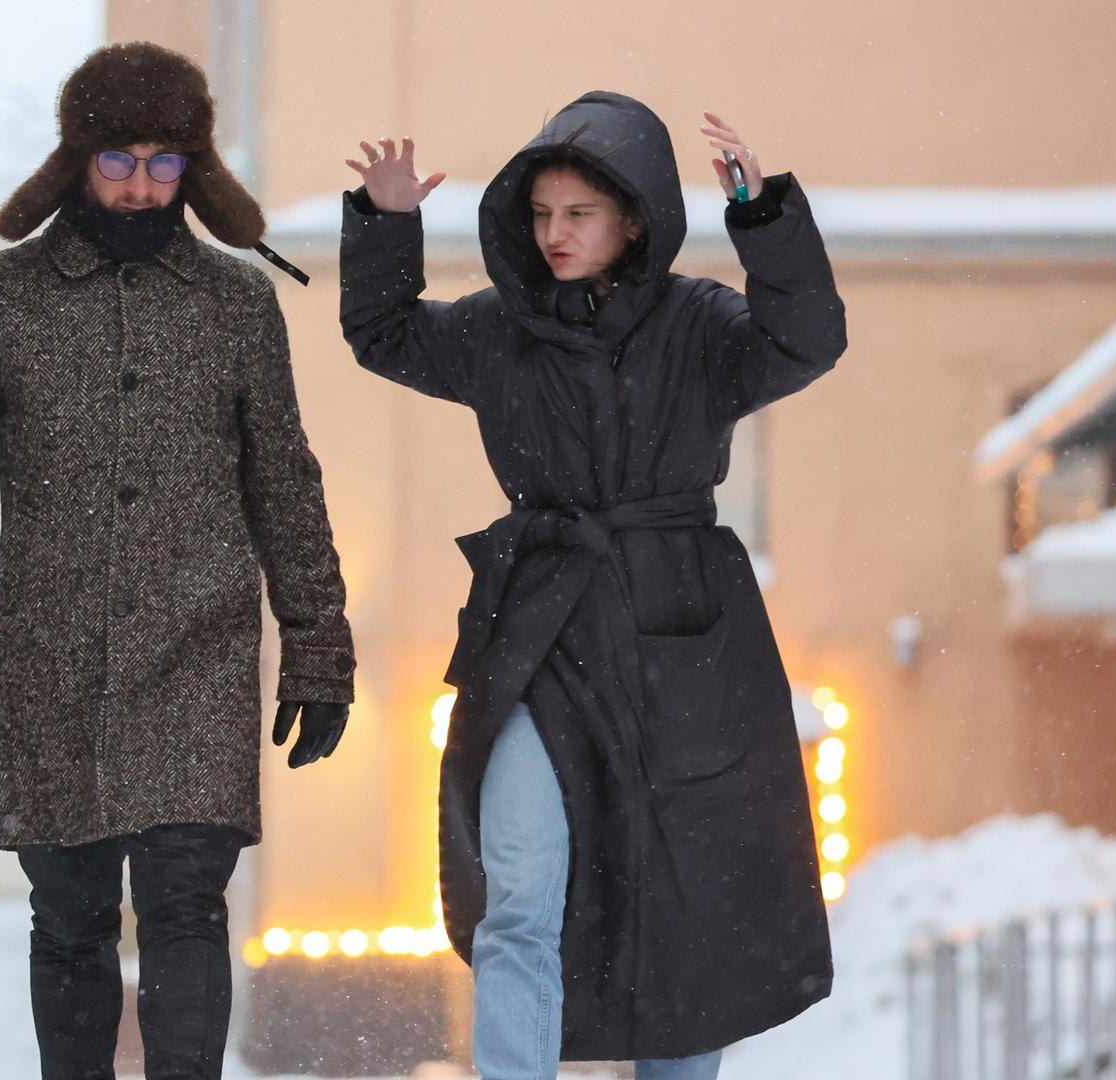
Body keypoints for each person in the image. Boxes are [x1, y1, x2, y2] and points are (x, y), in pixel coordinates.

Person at [0, 42, 355, 1080]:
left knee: (187, 900)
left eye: (165, 162)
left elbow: (285, 482)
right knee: (72, 915)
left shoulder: (235, 304)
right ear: (75, 161)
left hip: (200, 648)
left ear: (197, 170)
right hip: (55, 655)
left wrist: (320, 646)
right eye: (118, 160)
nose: (141, 185)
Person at [340, 91, 846, 1078]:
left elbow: (807, 341)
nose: (556, 234)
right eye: (541, 214)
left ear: (634, 218)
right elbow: (386, 334)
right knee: (520, 893)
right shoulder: (498, 331)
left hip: (682, 636)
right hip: (540, 632)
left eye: (579, 213)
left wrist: (763, 219)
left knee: (685, 901)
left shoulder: (702, 325)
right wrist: (386, 221)